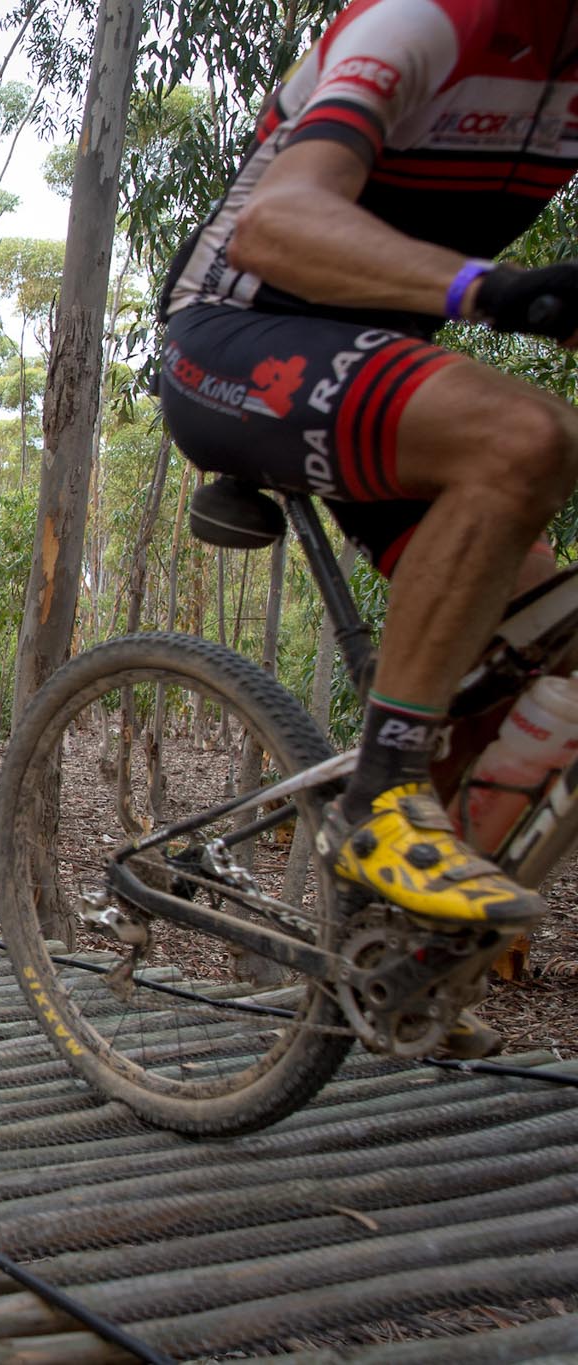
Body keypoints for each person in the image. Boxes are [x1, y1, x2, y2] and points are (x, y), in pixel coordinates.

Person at [157, 1, 578, 935]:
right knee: (528, 437)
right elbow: (275, 224)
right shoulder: (422, 21)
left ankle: (404, 945)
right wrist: (490, 289)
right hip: (233, 339)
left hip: (390, 381)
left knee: (540, 630)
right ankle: (379, 795)